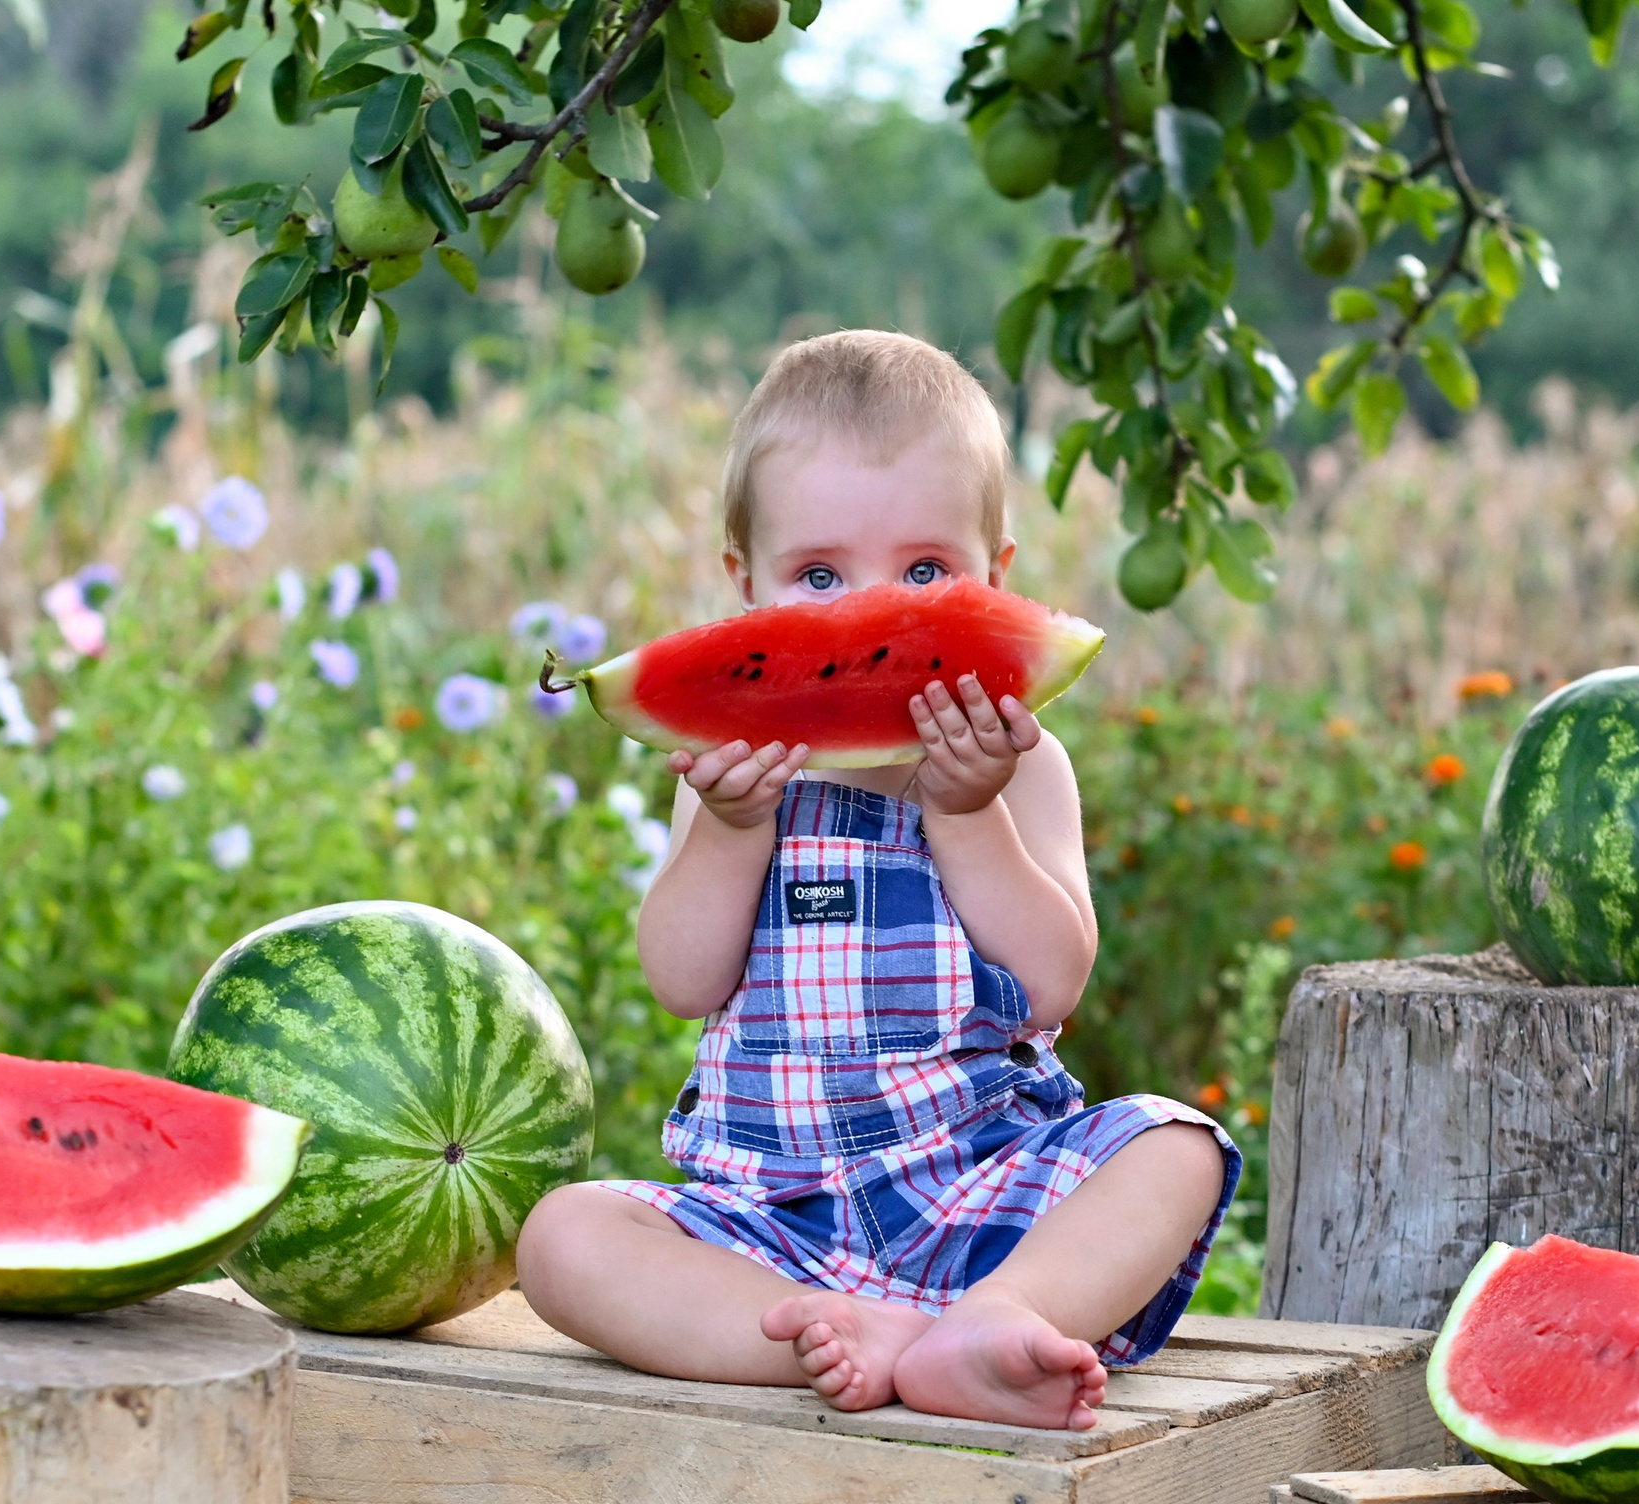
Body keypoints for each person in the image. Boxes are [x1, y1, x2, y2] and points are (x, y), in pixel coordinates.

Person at [516, 330, 1238, 1432]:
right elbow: (679, 979)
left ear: (996, 578)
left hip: (982, 1191)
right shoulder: (732, 775)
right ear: (743, 588)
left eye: (925, 575)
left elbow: (1052, 984)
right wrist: (731, 829)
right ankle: (838, 1333)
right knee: (562, 1237)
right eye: (819, 578)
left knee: (1176, 1148)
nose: (873, 617)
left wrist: (969, 813)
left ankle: (999, 1319)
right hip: (769, 1219)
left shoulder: (1023, 765)